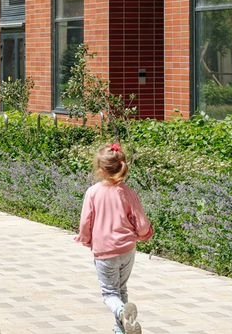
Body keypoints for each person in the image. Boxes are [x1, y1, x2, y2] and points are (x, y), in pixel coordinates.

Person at [74, 143, 154, 334]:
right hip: (127, 250)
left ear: (100, 169)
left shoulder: (93, 192)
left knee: (110, 293)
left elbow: (86, 221)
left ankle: (120, 313)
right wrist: (145, 234)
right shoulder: (128, 192)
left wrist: (85, 239)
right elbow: (141, 221)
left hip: (105, 252)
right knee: (121, 289)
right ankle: (122, 329)